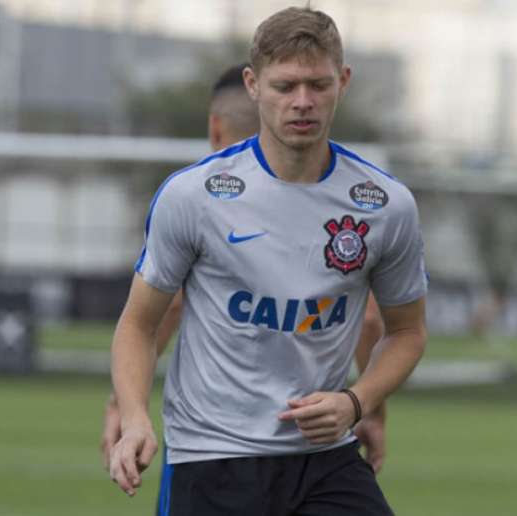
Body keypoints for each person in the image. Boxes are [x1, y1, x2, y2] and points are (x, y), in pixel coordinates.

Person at [108, 7, 427, 516]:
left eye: (318, 85)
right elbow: (138, 324)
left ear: (342, 82)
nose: (303, 102)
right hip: (212, 456)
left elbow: (406, 332)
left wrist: (356, 401)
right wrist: (134, 419)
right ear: (254, 85)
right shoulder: (194, 195)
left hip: (323, 459)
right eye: (286, 86)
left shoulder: (386, 205)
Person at [100, 64, 388, 477]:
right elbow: (372, 318)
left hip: (210, 447)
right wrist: (367, 408)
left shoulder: (196, 196)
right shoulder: (342, 197)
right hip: (317, 447)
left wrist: (127, 408)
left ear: (216, 128)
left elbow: (163, 310)